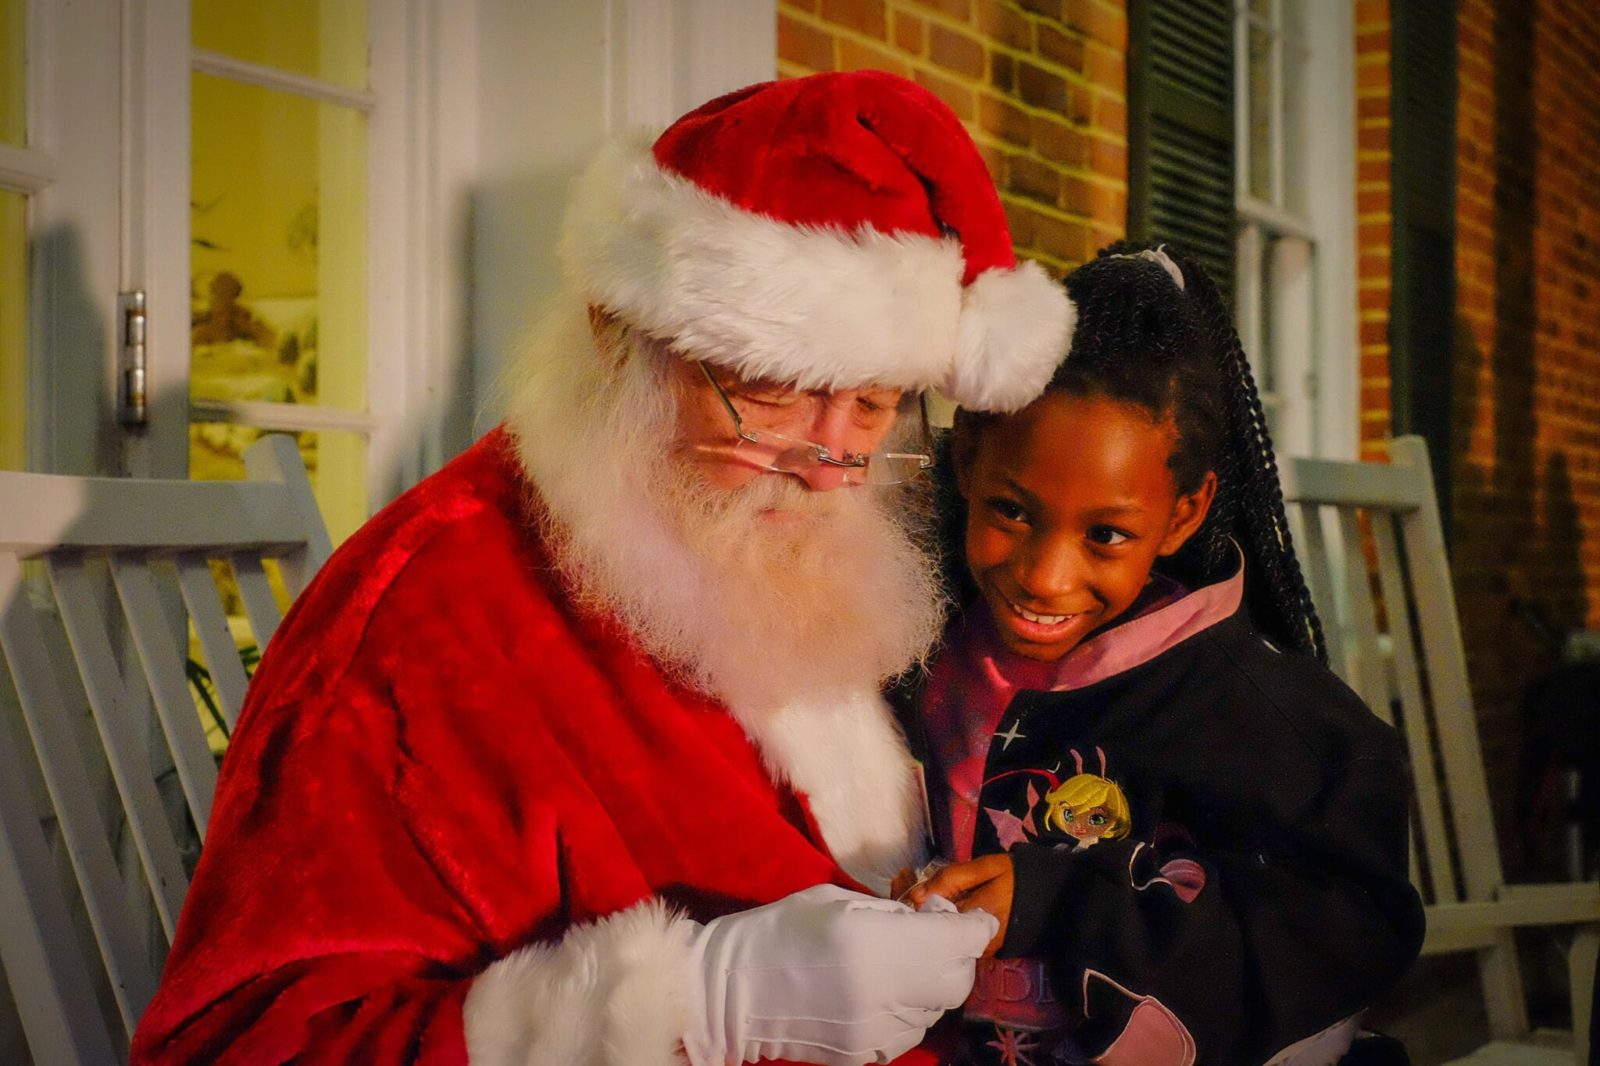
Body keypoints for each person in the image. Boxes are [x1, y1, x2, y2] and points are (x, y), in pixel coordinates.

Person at [129, 71, 1075, 1065]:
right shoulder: (424, 626)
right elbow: (237, 1047)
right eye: (770, 393)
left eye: (874, 407)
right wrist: (697, 1006)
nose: (827, 464)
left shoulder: (785, 553)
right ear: (617, 336)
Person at [897, 244, 1426, 1064]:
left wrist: (1058, 900)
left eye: (1105, 534)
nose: (1044, 576)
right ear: (967, 456)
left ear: (1184, 513)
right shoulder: (910, 652)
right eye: (1011, 510)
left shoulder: (1261, 713)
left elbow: (1354, 929)